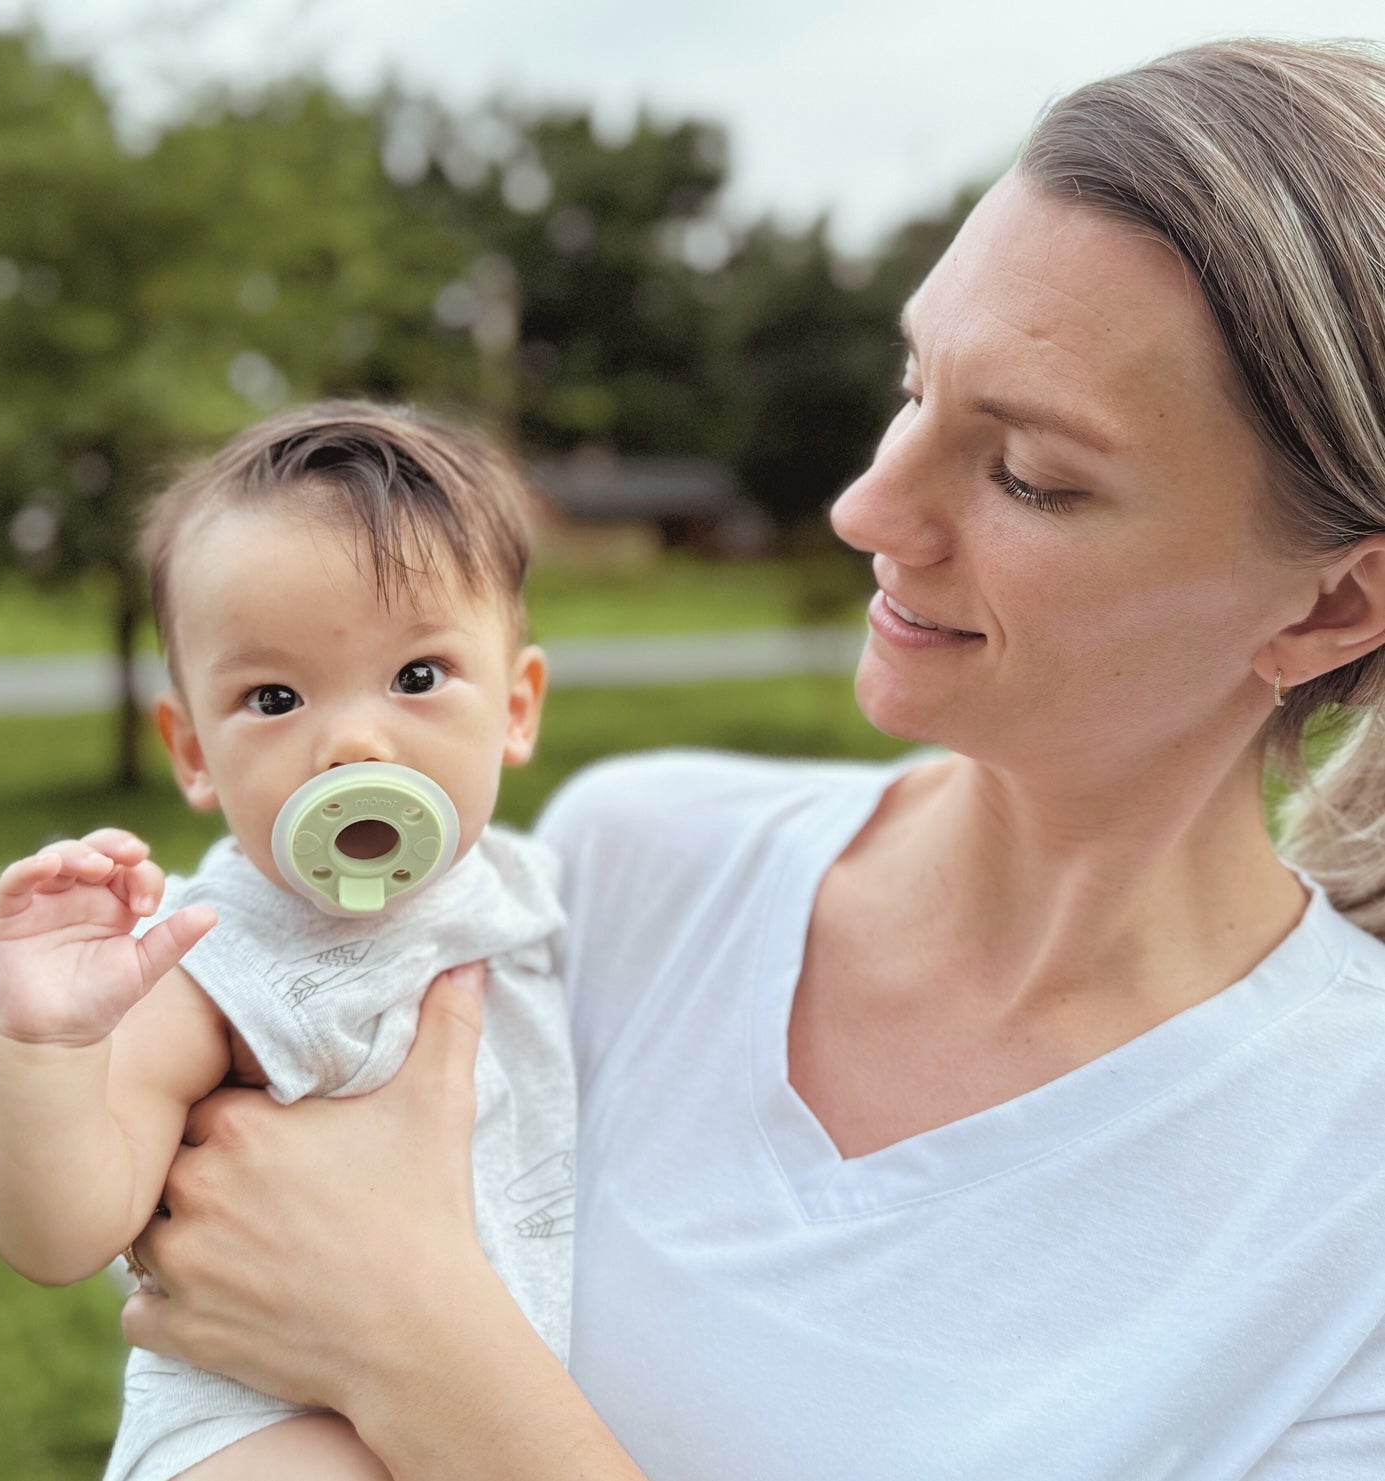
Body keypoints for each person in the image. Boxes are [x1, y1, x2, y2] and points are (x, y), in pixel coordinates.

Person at [119, 37, 1385, 1479]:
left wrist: (419, 1350)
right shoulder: (618, 872)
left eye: (1029, 472)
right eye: (915, 389)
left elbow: (360, 1313)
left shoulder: (1352, 1201)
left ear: (1330, 602)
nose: (863, 505)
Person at [0, 402, 573, 1480]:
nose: (352, 740)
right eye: (275, 696)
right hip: (259, 1421)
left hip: (478, 1405)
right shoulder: (211, 954)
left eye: (418, 676)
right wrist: (43, 1047)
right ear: (194, 751)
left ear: (516, 707)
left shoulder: (532, 894)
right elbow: (57, 1231)